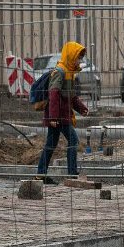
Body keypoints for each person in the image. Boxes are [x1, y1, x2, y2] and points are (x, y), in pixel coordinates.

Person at [36, 41, 90, 182]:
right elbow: (53, 94)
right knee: (73, 140)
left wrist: (81, 108)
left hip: (63, 115)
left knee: (51, 145)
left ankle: (40, 175)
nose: (80, 60)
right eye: (78, 56)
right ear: (71, 55)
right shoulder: (60, 71)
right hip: (58, 117)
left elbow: (70, 95)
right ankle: (72, 173)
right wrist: (53, 117)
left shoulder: (69, 72)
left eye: (81, 57)